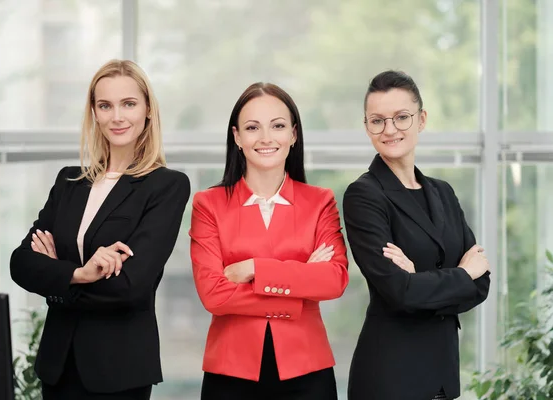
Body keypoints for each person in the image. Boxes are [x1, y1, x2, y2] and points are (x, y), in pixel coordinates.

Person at [10, 59, 190, 399]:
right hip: (58, 366)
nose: (117, 117)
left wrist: (57, 277)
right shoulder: (68, 182)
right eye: (105, 105)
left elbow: (130, 286)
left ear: (148, 110)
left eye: (129, 104)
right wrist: (80, 273)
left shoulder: (166, 186)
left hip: (118, 370)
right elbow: (20, 264)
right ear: (94, 112)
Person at [189, 82, 349, 400]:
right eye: (252, 127)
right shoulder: (208, 204)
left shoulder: (321, 202)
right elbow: (213, 295)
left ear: (293, 134)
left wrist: (252, 268)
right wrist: (299, 288)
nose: (265, 138)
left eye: (277, 126)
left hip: (307, 371)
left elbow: (334, 280)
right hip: (230, 373)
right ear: (237, 137)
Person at [343, 70, 491, 400]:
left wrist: (419, 281)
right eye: (377, 120)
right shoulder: (364, 195)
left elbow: (482, 286)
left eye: (401, 117)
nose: (390, 129)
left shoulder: (444, 193)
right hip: (390, 377)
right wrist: (461, 274)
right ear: (367, 127)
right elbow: (399, 291)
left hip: (442, 377)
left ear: (421, 119)